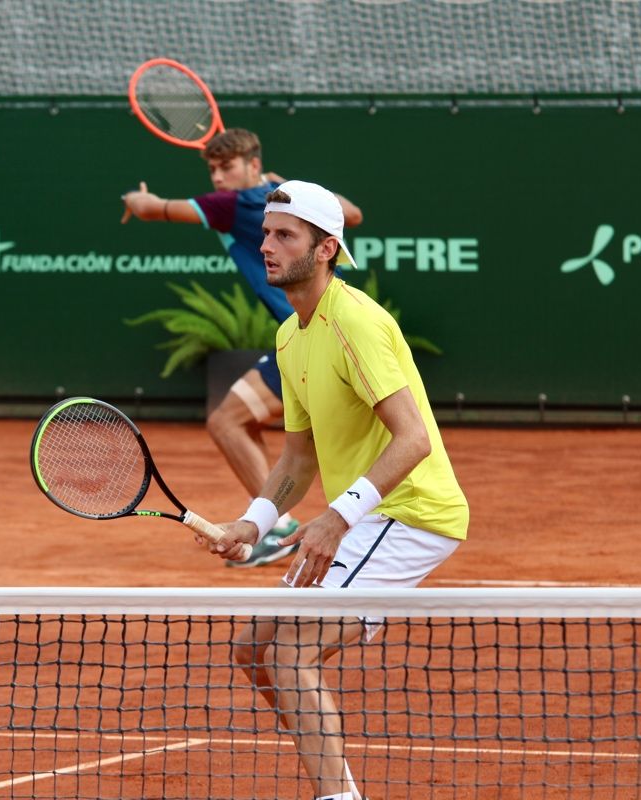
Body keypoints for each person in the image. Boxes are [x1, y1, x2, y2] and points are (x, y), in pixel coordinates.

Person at [202, 181, 469, 800]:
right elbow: (299, 455)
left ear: (326, 249)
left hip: (411, 512)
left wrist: (336, 519)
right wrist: (255, 520)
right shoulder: (291, 335)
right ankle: (340, 785)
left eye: (283, 235)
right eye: (266, 233)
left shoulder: (355, 323)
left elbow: (413, 440)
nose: (265, 246)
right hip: (369, 513)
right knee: (254, 649)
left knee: (291, 651)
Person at [120, 129, 363, 567]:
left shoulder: (229, 205)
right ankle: (282, 521)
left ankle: (279, 528)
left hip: (315, 333)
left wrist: (136, 202)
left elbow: (155, 209)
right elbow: (354, 214)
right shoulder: (280, 198)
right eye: (212, 169)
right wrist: (286, 187)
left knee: (228, 421)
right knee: (246, 424)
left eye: (227, 167)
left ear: (253, 165)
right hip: (315, 329)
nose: (218, 177)